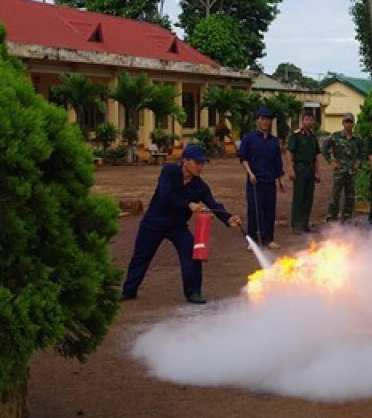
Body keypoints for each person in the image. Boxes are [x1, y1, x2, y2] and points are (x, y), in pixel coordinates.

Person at [121, 145, 242, 304]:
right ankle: (128, 291)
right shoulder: (169, 171)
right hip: (153, 222)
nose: (200, 167)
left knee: (192, 253)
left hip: (177, 226)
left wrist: (228, 218)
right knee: (141, 257)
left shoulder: (200, 186)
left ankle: (194, 292)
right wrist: (189, 205)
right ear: (185, 161)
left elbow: (213, 204)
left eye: (202, 163)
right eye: (197, 163)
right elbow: (166, 195)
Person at [239, 107, 286, 249]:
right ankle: (252, 241)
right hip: (255, 182)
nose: (265, 122)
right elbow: (243, 158)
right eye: (263, 119)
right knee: (254, 210)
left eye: (268, 119)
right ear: (258, 120)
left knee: (269, 210)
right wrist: (250, 173)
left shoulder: (273, 141)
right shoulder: (249, 139)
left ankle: (268, 239)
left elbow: (278, 162)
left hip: (270, 181)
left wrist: (280, 180)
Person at [322, 112, 364, 224]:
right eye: (346, 122)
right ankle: (331, 217)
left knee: (350, 196)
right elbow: (324, 148)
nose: (348, 124)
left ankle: (347, 218)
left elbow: (363, 152)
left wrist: (358, 162)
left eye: (350, 122)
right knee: (335, 194)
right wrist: (331, 161)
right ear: (343, 123)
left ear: (353, 124)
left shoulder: (357, 138)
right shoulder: (335, 136)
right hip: (339, 170)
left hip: (351, 171)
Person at [286, 112, 322, 234]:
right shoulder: (296, 135)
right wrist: (290, 169)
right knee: (299, 197)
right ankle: (296, 224)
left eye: (311, 120)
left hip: (310, 169)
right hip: (300, 168)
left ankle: (305, 224)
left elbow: (316, 156)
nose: (309, 122)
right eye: (307, 120)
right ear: (302, 121)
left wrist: (317, 172)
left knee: (308, 198)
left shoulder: (313, 137)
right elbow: (289, 152)